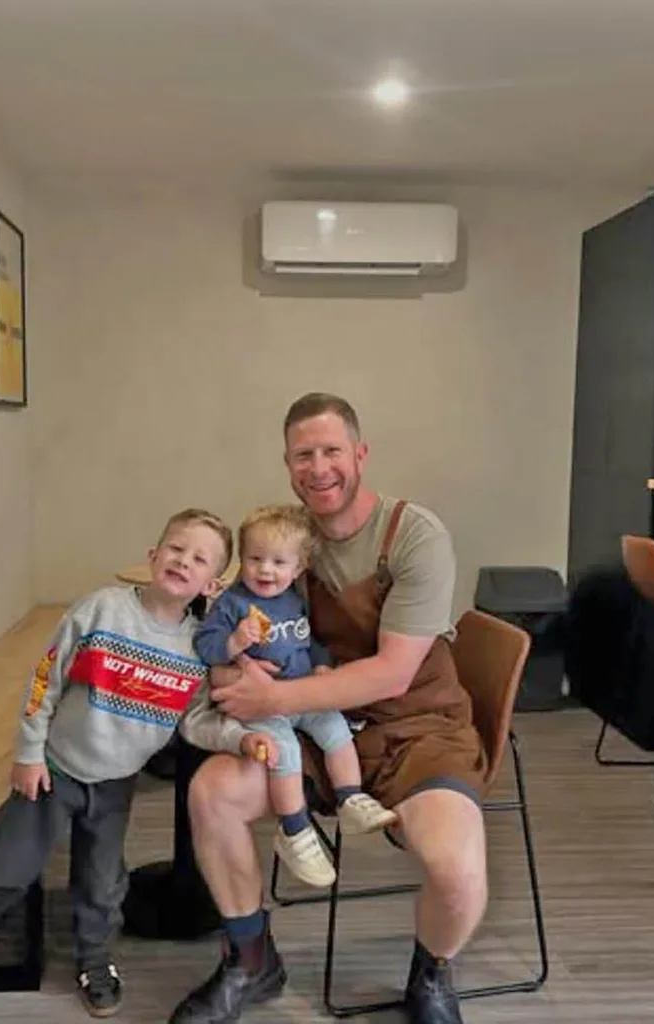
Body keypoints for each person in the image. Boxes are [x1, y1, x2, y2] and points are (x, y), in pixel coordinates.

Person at [173, 394, 488, 1024]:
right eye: (303, 455)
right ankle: (251, 959)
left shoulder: (413, 535)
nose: (319, 468)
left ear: (360, 454)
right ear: (288, 464)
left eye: (332, 452)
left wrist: (274, 696)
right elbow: (233, 608)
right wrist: (231, 657)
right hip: (315, 728)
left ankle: (431, 974)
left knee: (453, 866)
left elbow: (393, 671)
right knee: (212, 793)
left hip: (416, 725)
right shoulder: (287, 541)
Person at [0, 507, 233, 1018]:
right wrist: (29, 752)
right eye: (176, 549)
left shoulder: (198, 649)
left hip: (118, 782)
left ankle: (94, 958)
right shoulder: (100, 610)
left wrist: (242, 737)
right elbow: (43, 682)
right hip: (54, 767)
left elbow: (194, 723)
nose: (184, 562)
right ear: (152, 556)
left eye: (200, 559)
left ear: (215, 582)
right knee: (11, 856)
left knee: (102, 881)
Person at [194, 503, 396, 889]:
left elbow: (308, 641)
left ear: (299, 567)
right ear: (241, 559)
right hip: (260, 706)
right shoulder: (233, 604)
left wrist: (322, 666)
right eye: (255, 559)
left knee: (336, 729)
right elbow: (205, 643)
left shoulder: (293, 600)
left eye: (278, 562)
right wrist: (234, 642)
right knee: (282, 751)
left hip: (301, 696)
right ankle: (295, 829)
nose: (265, 570)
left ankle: (350, 797)